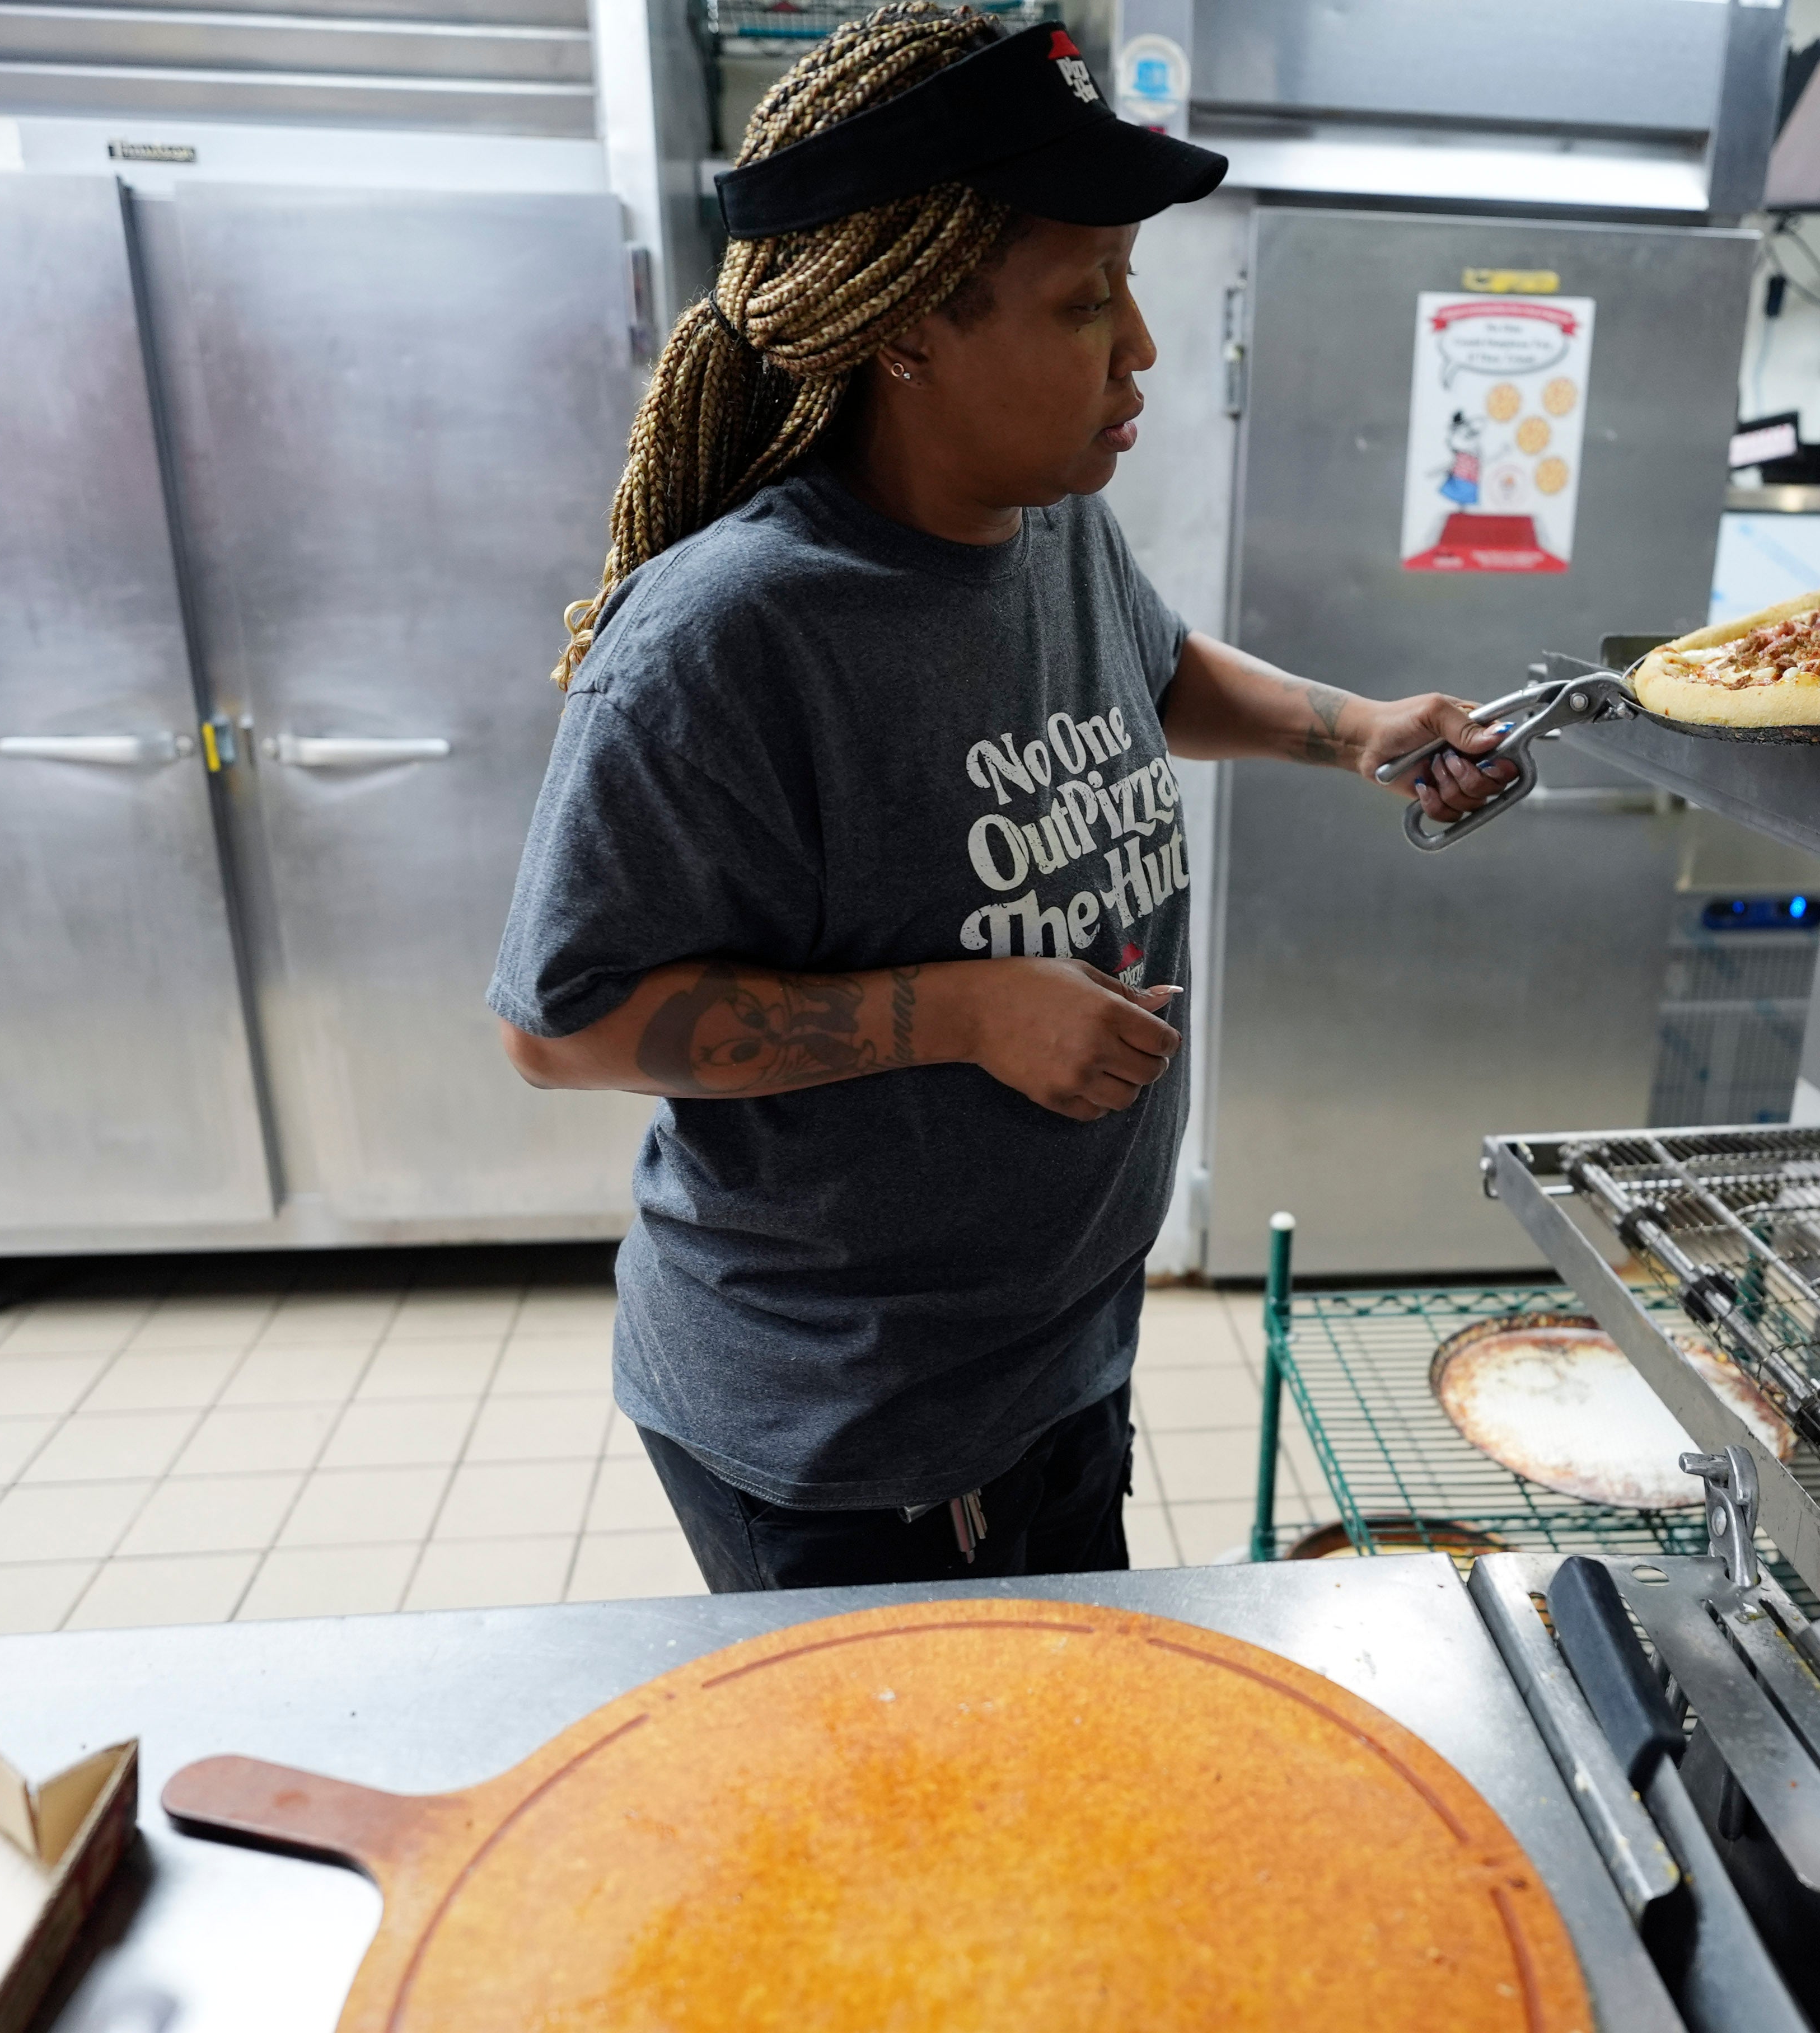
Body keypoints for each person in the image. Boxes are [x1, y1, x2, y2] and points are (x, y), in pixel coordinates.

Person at [488, 3, 1515, 1591]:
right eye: (1083, 301)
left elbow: (1152, 674)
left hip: (1048, 1359)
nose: (1141, 352)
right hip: (850, 1432)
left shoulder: (1037, 521)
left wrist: (1357, 730)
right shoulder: (730, 636)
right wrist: (961, 1014)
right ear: (902, 329)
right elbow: (559, 1028)